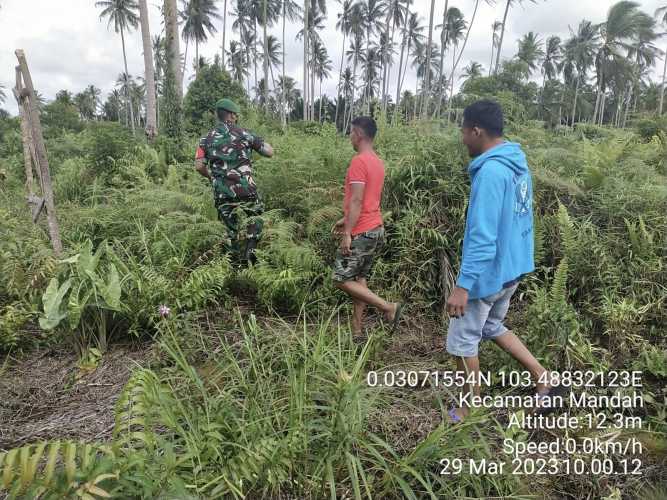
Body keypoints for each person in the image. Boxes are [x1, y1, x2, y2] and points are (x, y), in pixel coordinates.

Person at [446, 99, 560, 422]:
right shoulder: (516, 162)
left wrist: (463, 285)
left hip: (488, 274)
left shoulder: (492, 173)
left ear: (477, 130)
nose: (462, 137)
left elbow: (483, 237)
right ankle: (543, 376)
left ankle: (468, 410)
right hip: (512, 268)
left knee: (462, 341)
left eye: (464, 130)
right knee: (492, 325)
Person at [332, 116, 403, 336]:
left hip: (362, 231)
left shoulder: (359, 161)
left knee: (340, 279)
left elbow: (356, 200)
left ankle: (387, 307)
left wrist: (347, 233)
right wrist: (345, 219)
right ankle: (357, 331)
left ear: (359, 134)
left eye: (351, 133)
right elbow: (369, 199)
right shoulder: (377, 162)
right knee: (359, 280)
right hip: (375, 229)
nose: (350, 137)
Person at [194, 98, 274, 265]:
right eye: (235, 115)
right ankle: (250, 254)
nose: (236, 118)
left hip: (221, 191)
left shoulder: (206, 139)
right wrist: (256, 142)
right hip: (246, 189)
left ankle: (233, 265)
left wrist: (211, 177)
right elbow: (269, 152)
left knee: (230, 229)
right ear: (230, 116)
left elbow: (199, 166)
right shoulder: (244, 133)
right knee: (255, 218)